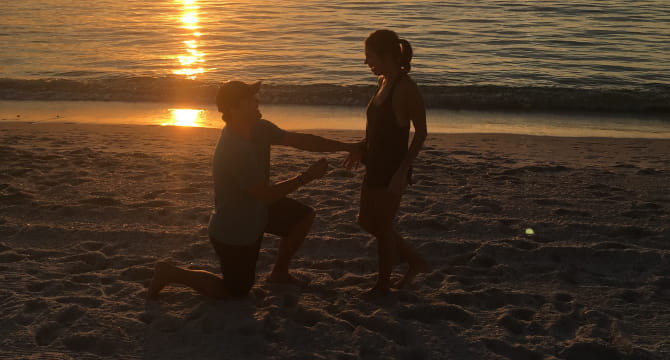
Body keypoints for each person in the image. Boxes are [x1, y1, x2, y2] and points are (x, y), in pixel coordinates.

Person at [148, 80, 361, 300]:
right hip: (235, 227)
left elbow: (298, 140)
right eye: (250, 99)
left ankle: (279, 273)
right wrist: (306, 177)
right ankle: (170, 273)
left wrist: (346, 146)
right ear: (234, 108)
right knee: (235, 292)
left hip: (258, 210)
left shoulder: (259, 128)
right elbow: (265, 194)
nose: (257, 101)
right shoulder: (235, 148)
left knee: (303, 217)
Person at [344, 29, 431, 298]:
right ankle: (414, 261)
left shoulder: (406, 88)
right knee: (366, 221)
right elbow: (377, 129)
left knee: (381, 227)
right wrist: (360, 146)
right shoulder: (382, 81)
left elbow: (422, 132)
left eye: (369, 56)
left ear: (385, 56)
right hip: (375, 162)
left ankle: (382, 286)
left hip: (393, 167)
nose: (366, 62)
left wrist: (403, 171)